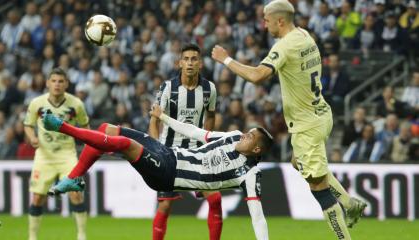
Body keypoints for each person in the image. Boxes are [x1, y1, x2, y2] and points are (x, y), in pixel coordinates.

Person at [211, 0, 366, 238]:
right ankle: (349, 203)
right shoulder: (304, 35)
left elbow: (256, 75)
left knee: (319, 188)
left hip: (307, 125)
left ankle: (344, 235)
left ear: (280, 21)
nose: (264, 25)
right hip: (321, 113)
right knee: (298, 161)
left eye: (266, 20)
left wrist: (226, 60)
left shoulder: (284, 46)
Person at [43, 104, 272, 240]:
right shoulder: (233, 136)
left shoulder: (250, 174)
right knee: (106, 129)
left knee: (123, 143)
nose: (244, 136)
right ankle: (74, 178)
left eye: (249, 137)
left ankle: (62, 127)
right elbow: (197, 132)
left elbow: (258, 215)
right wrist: (164, 118)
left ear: (257, 149)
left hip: (168, 174)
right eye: (247, 132)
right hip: (169, 152)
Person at [148, 43, 221, 240]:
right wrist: (156, 150)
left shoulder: (209, 89)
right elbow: (154, 120)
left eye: (194, 59)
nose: (190, 63)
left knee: (215, 199)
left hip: (197, 154)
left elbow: (211, 115)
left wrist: (206, 139)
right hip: (170, 152)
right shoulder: (168, 88)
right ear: (180, 63)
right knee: (165, 204)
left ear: (201, 64)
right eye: (186, 59)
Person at [24, 68, 89, 240]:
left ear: (67, 84)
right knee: (37, 197)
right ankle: (32, 237)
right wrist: (32, 138)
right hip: (44, 156)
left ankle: (81, 235)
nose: (57, 85)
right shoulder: (37, 103)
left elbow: (86, 127)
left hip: (67, 155)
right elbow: (28, 124)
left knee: (75, 193)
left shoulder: (76, 105)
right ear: (47, 83)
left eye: (61, 81)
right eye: (54, 81)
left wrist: (88, 143)